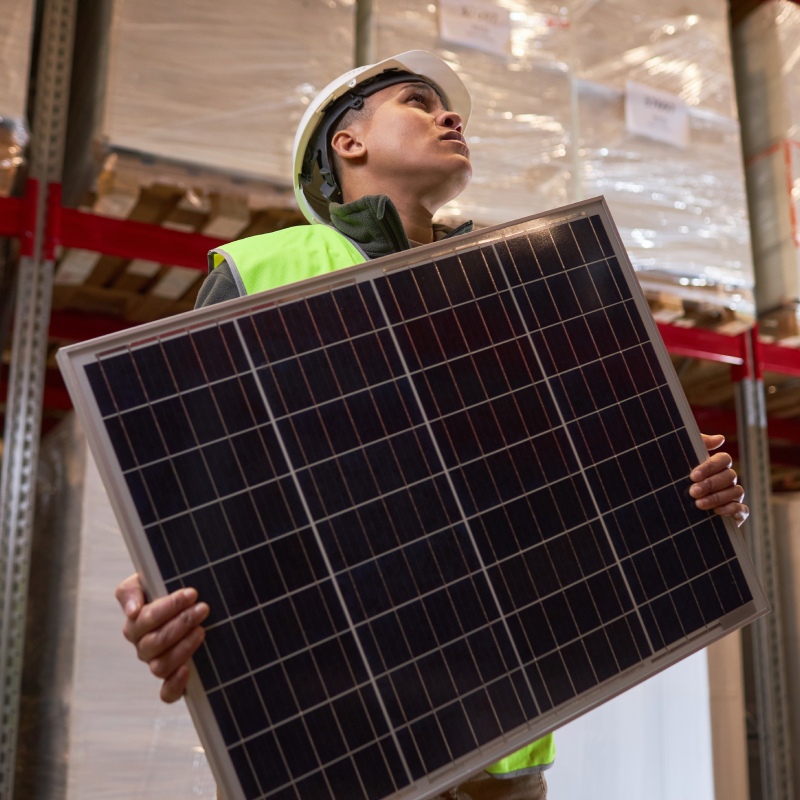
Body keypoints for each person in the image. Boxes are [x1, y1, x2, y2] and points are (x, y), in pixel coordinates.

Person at [115, 51, 750, 800]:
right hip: (331, 744)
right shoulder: (265, 272)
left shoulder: (514, 291)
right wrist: (161, 588)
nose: (449, 116)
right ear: (348, 142)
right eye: (417, 102)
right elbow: (197, 483)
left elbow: (564, 489)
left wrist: (692, 497)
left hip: (503, 750)